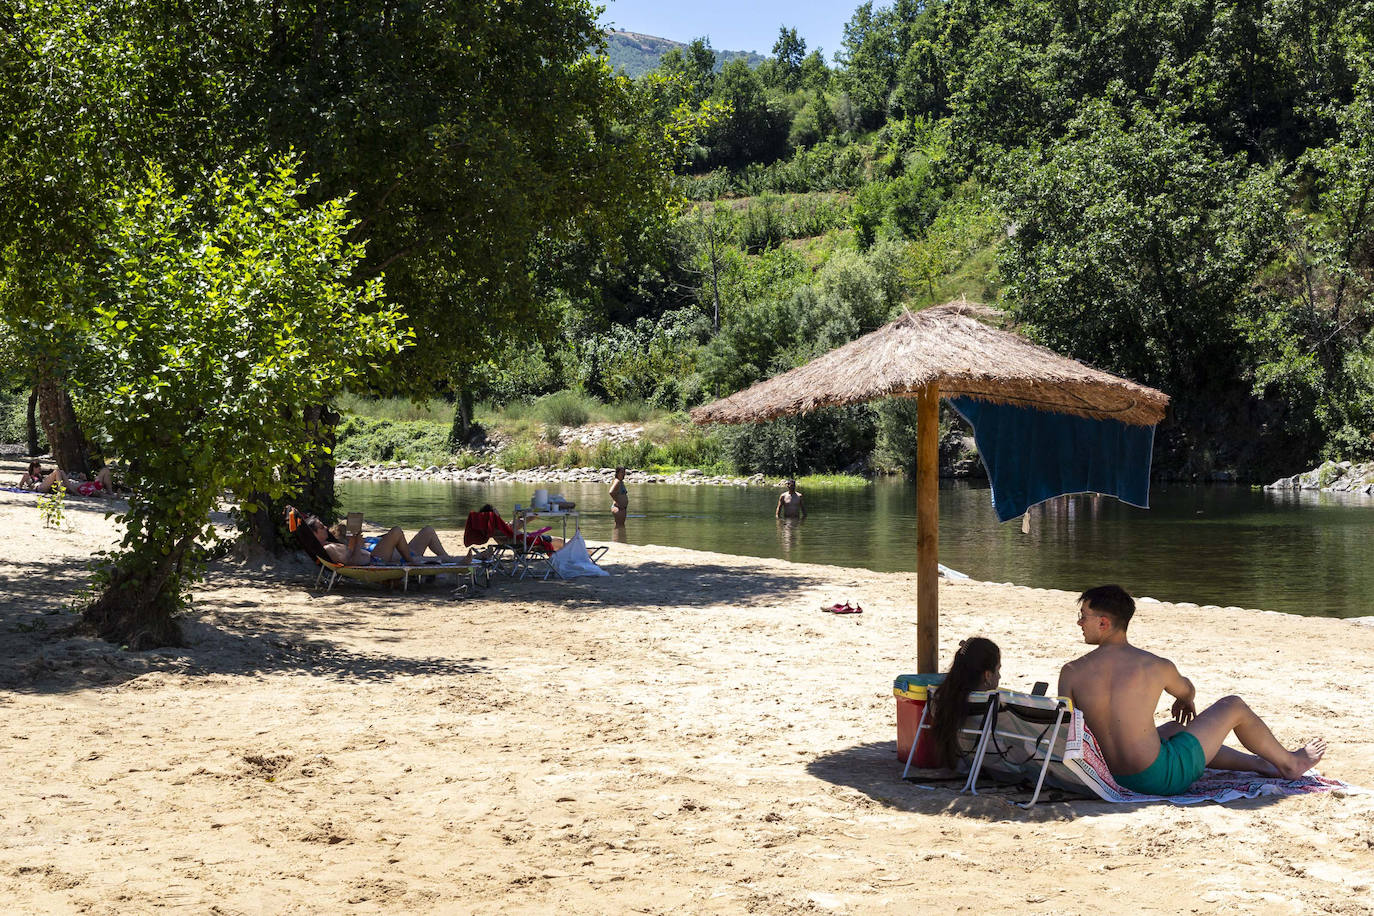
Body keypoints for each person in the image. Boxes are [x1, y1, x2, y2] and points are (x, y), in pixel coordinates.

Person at [1058, 585, 1326, 796]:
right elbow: (1186, 690)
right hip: (1157, 779)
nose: (1080, 623)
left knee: (1175, 729)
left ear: (1103, 623)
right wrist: (1186, 699)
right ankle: (1290, 764)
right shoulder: (1155, 666)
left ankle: (1261, 764)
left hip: (1104, 774)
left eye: (1083, 617)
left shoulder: (1071, 671)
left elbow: (1065, 728)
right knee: (1234, 705)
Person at [928, 637, 1001, 768]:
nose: (999, 676)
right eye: (998, 669)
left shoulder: (940, 698)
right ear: (988, 675)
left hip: (962, 763)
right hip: (995, 766)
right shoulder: (996, 708)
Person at [307, 515, 454, 566]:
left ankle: (451, 559)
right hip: (374, 560)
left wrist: (356, 540)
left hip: (375, 554)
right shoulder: (328, 549)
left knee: (428, 530)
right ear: (314, 534)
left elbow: (351, 554)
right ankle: (410, 560)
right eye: (321, 527)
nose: (325, 527)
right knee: (396, 531)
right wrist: (356, 542)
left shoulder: (330, 545)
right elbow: (353, 562)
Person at [609, 466, 628, 531]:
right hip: (619, 508)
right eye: (622, 472)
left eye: (624, 472)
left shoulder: (620, 482)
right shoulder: (617, 481)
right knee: (619, 527)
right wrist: (617, 501)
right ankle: (617, 540)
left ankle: (619, 540)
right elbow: (611, 492)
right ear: (617, 473)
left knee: (620, 527)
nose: (623, 474)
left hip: (621, 508)